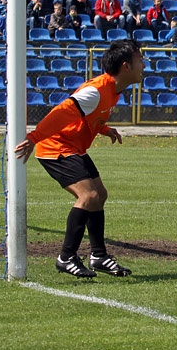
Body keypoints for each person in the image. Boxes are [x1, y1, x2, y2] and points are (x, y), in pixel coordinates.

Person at [14, 40, 143, 279]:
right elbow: (63, 111)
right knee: (89, 196)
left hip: (73, 146)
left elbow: (90, 117)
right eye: (140, 59)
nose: (144, 64)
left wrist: (105, 130)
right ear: (126, 66)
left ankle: (98, 256)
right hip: (55, 146)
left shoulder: (114, 89)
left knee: (100, 195)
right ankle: (66, 257)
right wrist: (33, 138)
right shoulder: (96, 90)